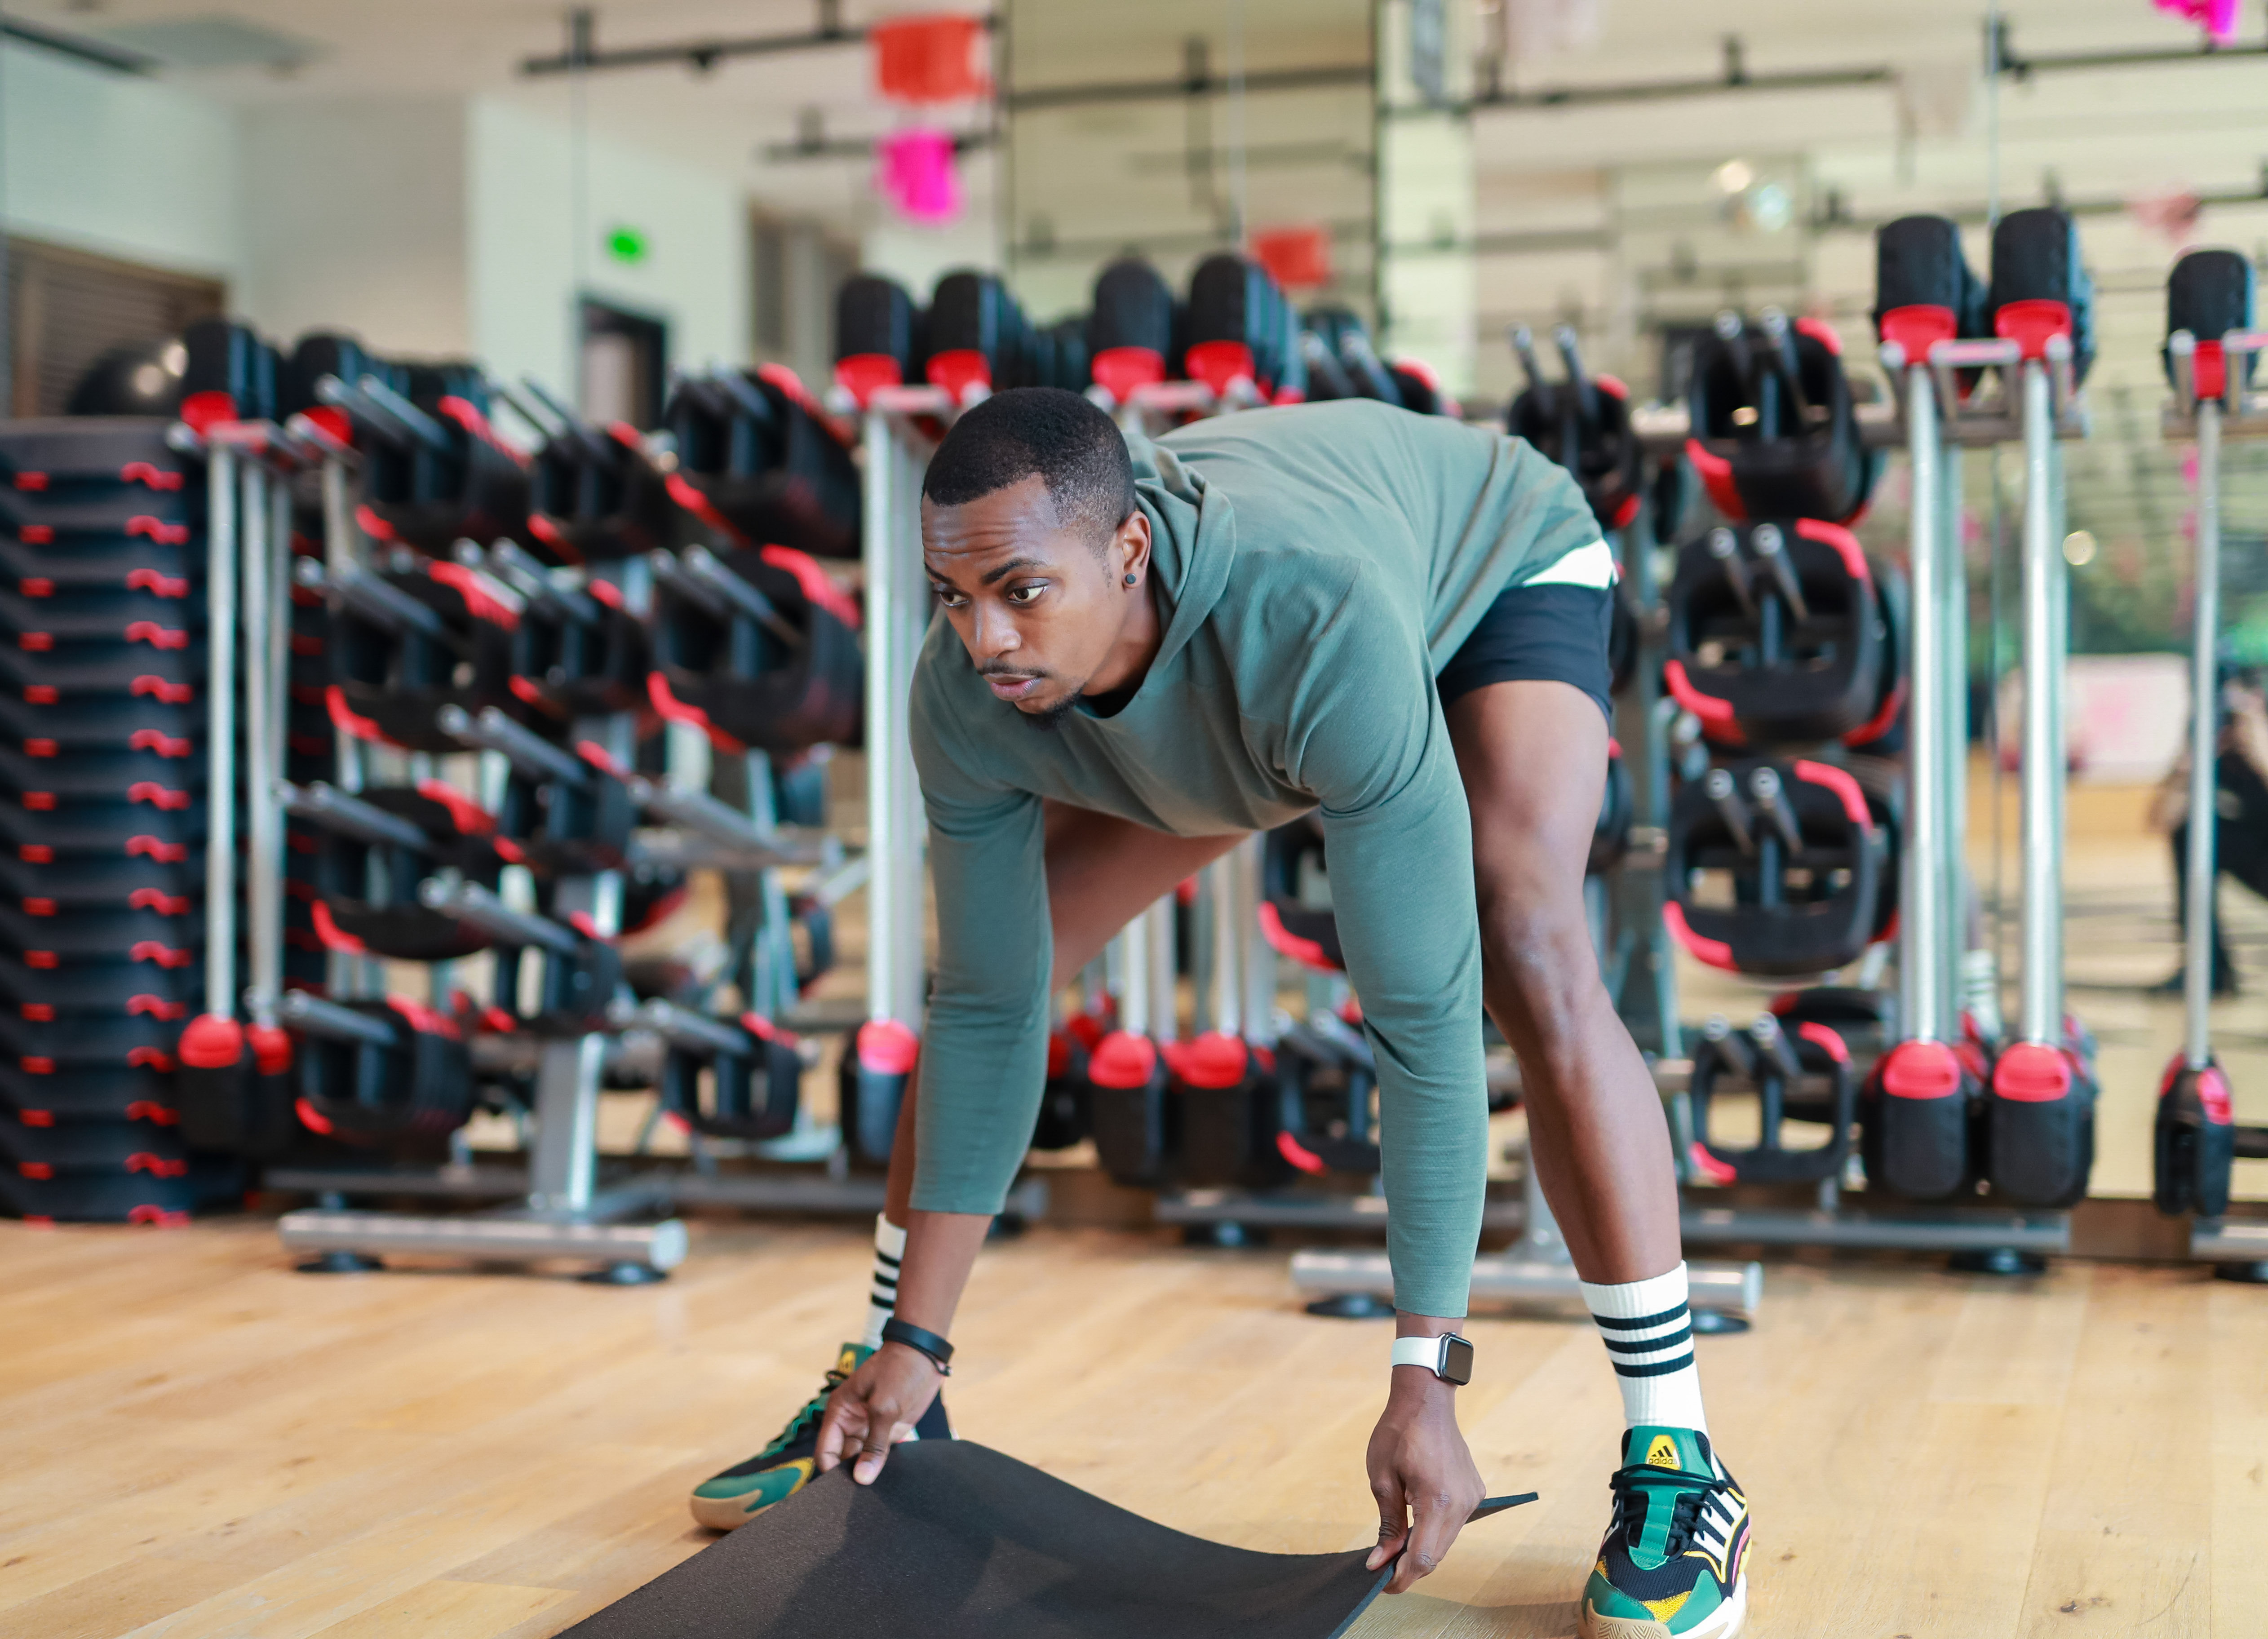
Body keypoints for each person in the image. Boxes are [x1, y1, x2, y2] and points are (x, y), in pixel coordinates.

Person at [688, 389, 1751, 1639]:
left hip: (1485, 563)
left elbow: (1419, 1021)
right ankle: (884, 1382)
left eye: (1020, 591)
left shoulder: (1313, 622)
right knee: (1005, 960)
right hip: (1234, 679)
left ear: (1125, 551)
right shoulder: (967, 689)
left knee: (1520, 930)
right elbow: (982, 1006)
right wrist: (916, 1335)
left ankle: (1679, 1455)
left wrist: (1425, 1375)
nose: (983, 638)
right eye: (953, 597)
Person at [2152, 669, 2268, 997]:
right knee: (2189, 835)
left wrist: (2261, 753)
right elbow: (2159, 822)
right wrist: (2187, 768)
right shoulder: (2215, 751)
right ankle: (2210, 970)